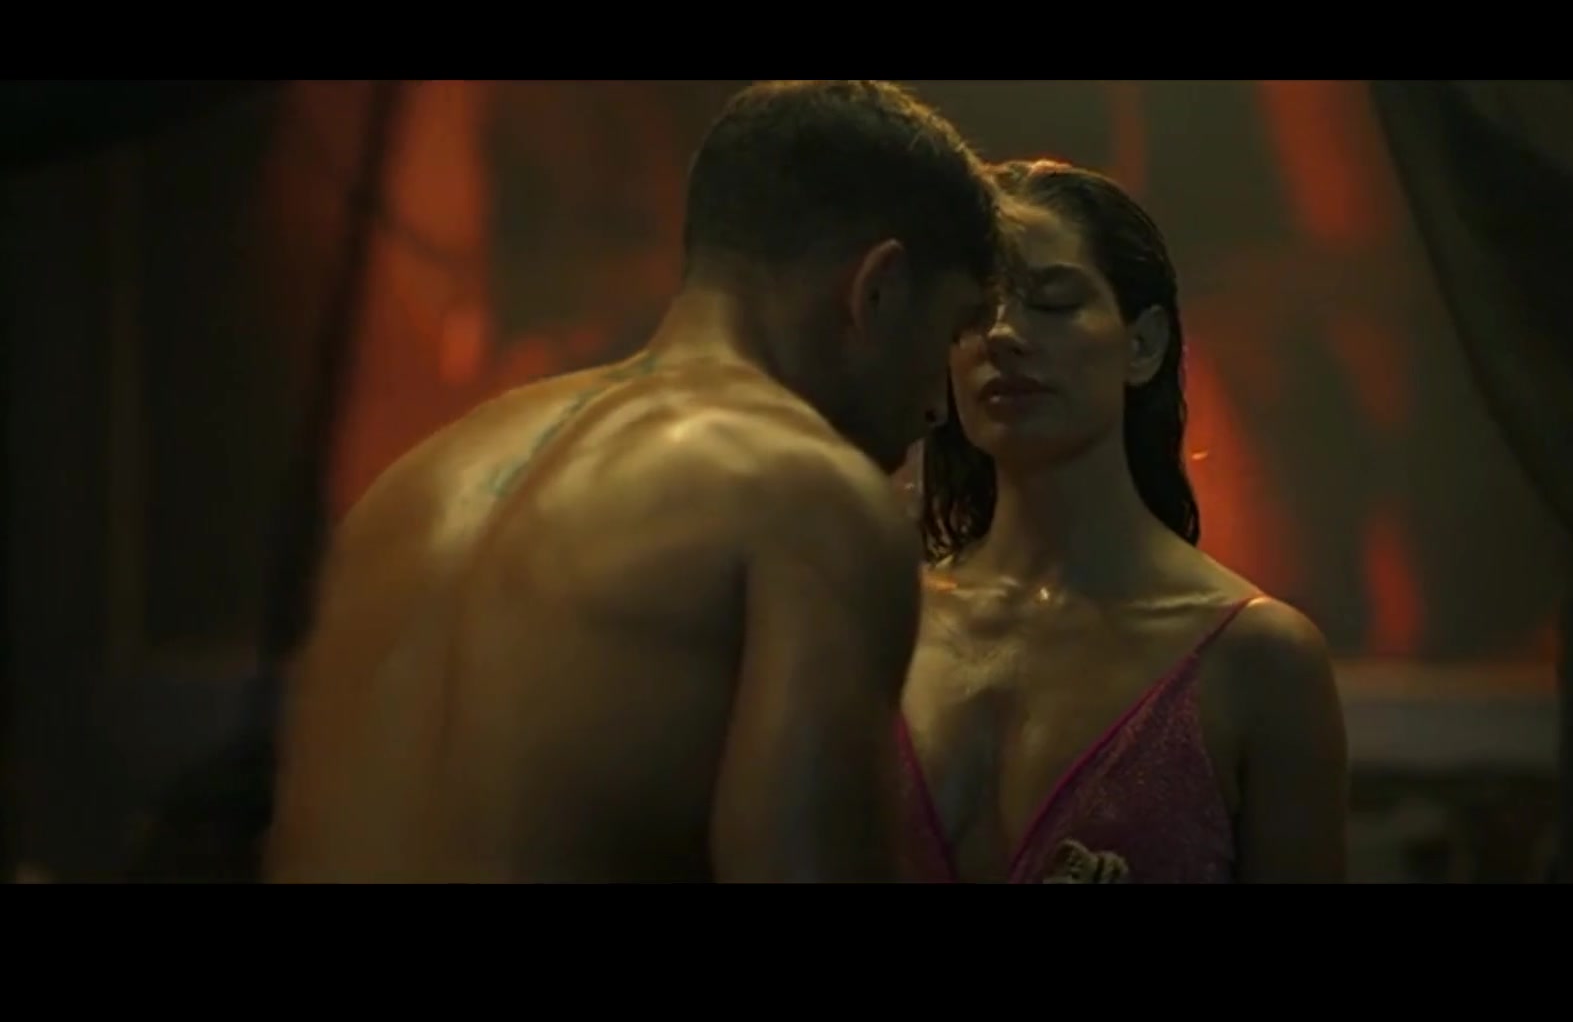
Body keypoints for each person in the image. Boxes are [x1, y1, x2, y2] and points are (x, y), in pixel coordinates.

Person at [264, 81, 1004, 883]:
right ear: (879, 289)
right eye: (953, 332)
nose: (939, 406)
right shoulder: (812, 498)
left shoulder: (411, 488)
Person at [899, 160, 1348, 884]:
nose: (1004, 333)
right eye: (975, 310)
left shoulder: (1259, 660)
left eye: (1053, 301)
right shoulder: (886, 629)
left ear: (1143, 344)